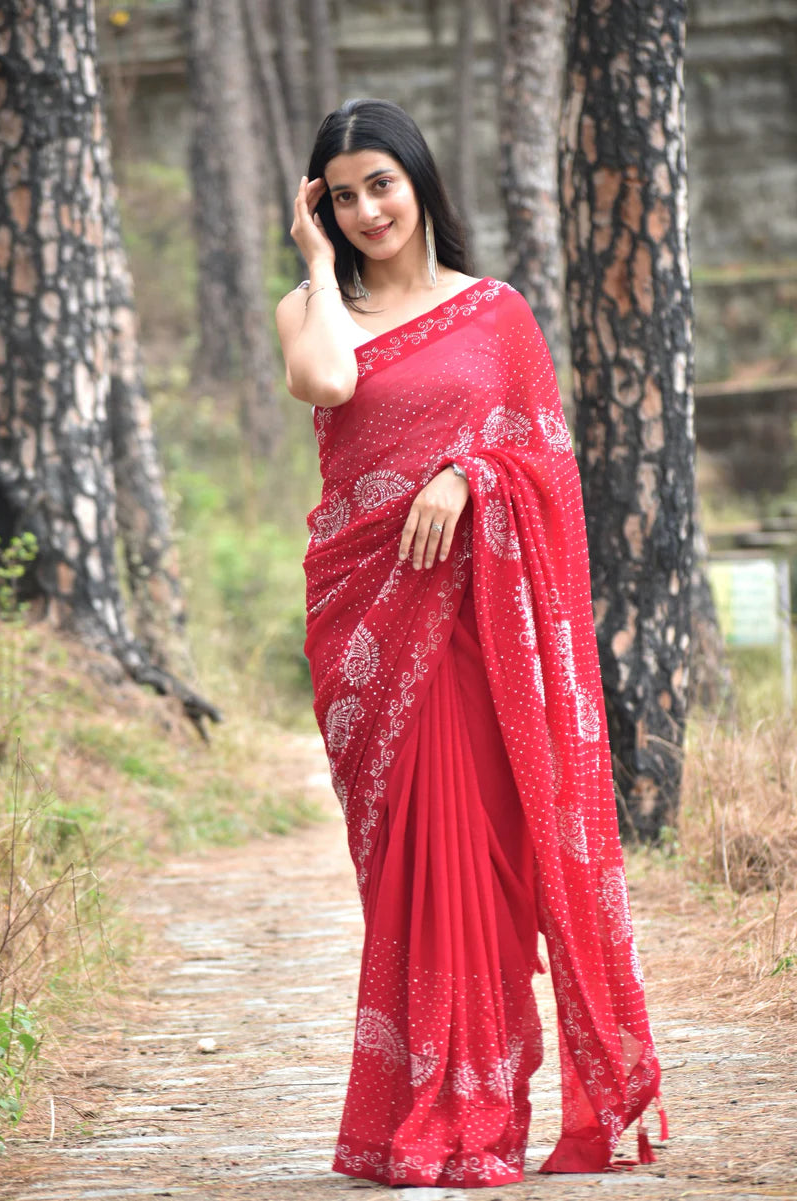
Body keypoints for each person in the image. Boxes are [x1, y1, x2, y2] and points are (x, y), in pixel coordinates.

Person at [276, 97, 665, 1189]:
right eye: (340, 195)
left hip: (474, 628)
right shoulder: (308, 311)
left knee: (477, 873)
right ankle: (417, 1107)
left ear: (418, 181)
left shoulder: (495, 315)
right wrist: (314, 264)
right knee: (405, 872)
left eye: (379, 185)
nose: (363, 210)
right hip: (367, 621)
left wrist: (467, 475)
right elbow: (328, 384)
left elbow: (542, 461)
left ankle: (476, 1111)